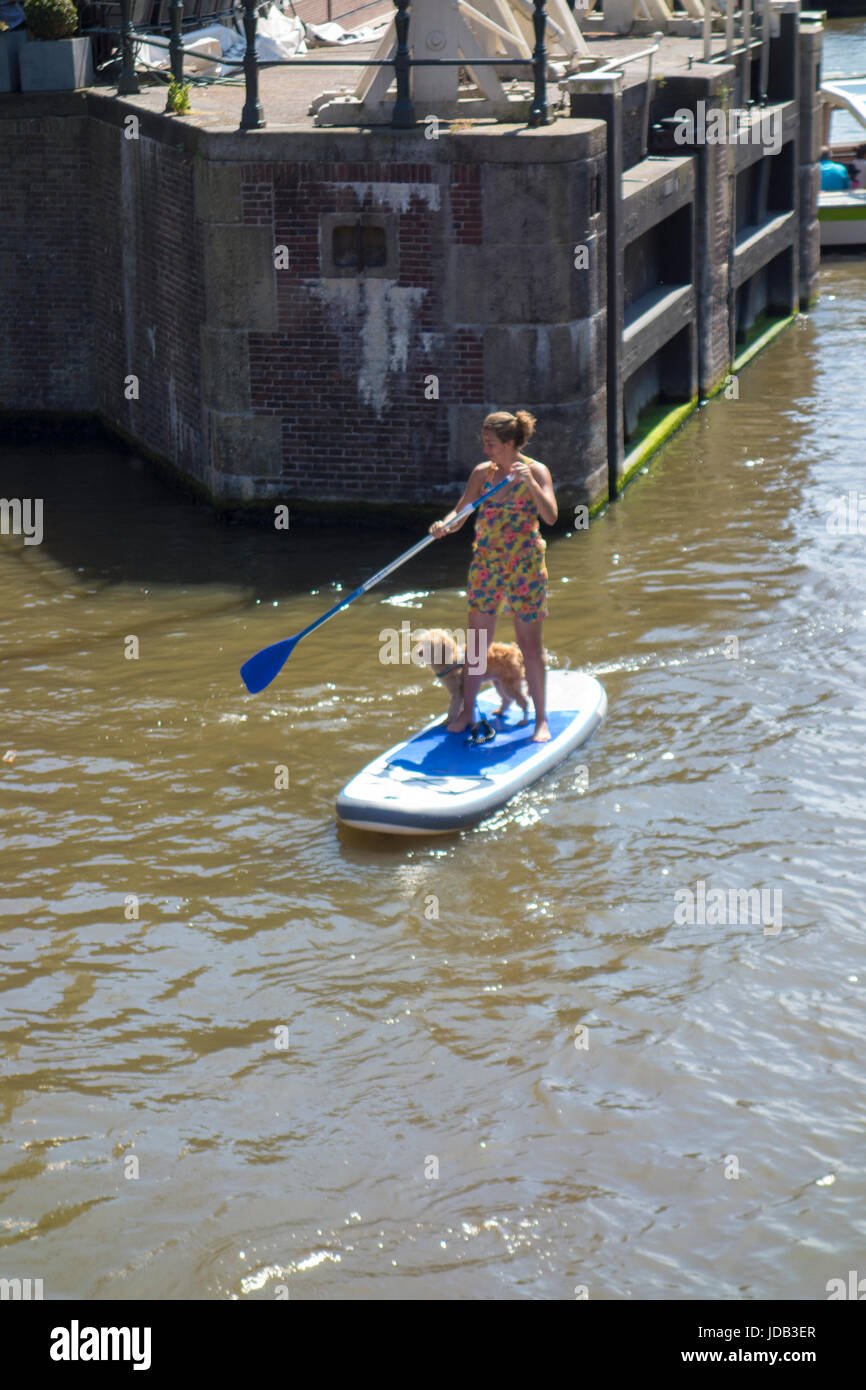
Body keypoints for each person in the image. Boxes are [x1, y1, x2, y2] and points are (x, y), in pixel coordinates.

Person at [430, 410, 558, 743]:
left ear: (512, 442)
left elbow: (551, 515)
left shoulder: (536, 471)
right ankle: (468, 712)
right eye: (484, 443)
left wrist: (530, 482)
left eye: (492, 444)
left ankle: (540, 719)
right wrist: (445, 524)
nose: (486, 450)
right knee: (476, 648)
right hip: (487, 567)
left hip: (525, 568)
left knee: (531, 648)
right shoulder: (481, 474)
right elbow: (461, 513)